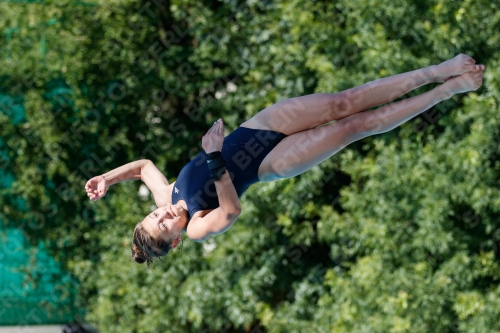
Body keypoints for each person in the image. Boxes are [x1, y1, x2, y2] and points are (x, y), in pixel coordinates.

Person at [85, 54, 485, 267]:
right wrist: (212, 160)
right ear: (174, 241)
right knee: (354, 126)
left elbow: (142, 167)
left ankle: (440, 70)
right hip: (271, 162)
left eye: (156, 216)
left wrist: (107, 176)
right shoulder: (196, 230)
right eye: (164, 225)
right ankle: (445, 92)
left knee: (343, 102)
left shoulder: (165, 197)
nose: (165, 215)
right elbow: (232, 209)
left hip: (260, 126)